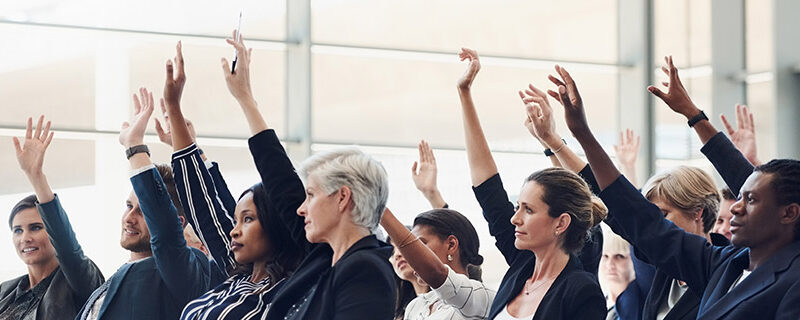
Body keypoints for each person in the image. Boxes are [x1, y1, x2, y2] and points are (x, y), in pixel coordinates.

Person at [564, 54, 800, 319]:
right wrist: (582, 134)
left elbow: (745, 176)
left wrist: (696, 118)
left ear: (789, 213)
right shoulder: (724, 265)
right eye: (740, 198)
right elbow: (640, 219)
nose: (735, 208)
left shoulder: (793, 281)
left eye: (751, 201)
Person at [216, 34, 396, 320]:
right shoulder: (322, 258)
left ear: (342, 198)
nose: (300, 207)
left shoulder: (366, 268)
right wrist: (246, 100)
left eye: (310, 195)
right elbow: (281, 181)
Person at [151, 36, 306, 319]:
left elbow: (281, 178)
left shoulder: (292, 291)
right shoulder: (235, 279)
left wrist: (245, 98)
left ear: (276, 222)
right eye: (236, 221)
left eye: (248, 219)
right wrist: (174, 109)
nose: (234, 230)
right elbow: (205, 207)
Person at [456, 47, 605, 320]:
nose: (515, 219)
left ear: (561, 223)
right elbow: (488, 189)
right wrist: (464, 94)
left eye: (528, 209)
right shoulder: (521, 266)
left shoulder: (580, 288)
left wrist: (552, 142)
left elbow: (578, 191)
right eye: (518, 207)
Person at [76, 85, 212, 320]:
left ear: (177, 223)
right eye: (129, 206)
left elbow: (166, 230)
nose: (129, 218)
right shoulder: (119, 276)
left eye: (143, 211)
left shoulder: (185, 270)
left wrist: (135, 148)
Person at [0, 117, 104, 320]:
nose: (25, 237)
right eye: (18, 230)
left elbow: (68, 250)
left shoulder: (77, 281)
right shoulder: (6, 290)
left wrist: (36, 176)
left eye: (36, 227)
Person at [381, 207, 494, 319]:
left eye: (420, 246)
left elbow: (438, 275)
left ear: (451, 245)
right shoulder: (415, 306)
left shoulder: (481, 297)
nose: (411, 256)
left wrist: (378, 209)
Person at [388, 230, 430, 320]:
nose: (397, 255)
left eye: (401, 246)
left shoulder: (452, 298)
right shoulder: (400, 314)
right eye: (391, 252)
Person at [599, 228, 635, 320]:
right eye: (606, 256)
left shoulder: (642, 301)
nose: (610, 264)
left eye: (619, 256)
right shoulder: (597, 300)